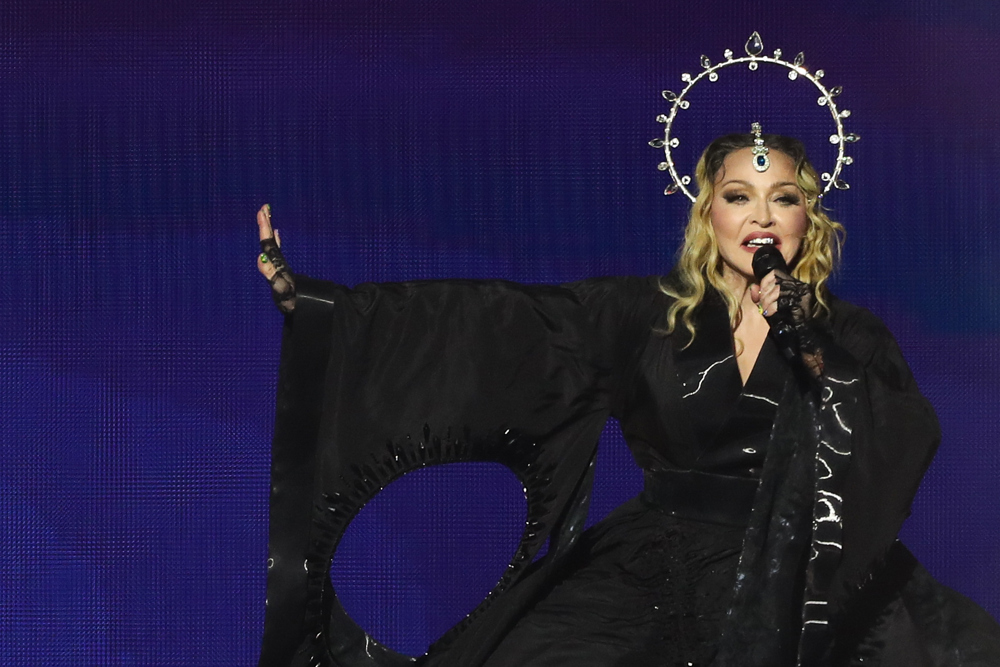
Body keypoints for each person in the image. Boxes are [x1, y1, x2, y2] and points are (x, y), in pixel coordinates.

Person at [254, 131, 1000, 666]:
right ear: (709, 213)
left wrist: (806, 336)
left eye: (784, 199)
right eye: (739, 196)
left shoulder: (849, 333)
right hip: (657, 561)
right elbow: (502, 323)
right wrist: (325, 309)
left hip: (802, 566)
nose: (762, 217)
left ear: (809, 218)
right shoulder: (645, 315)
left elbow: (893, 431)